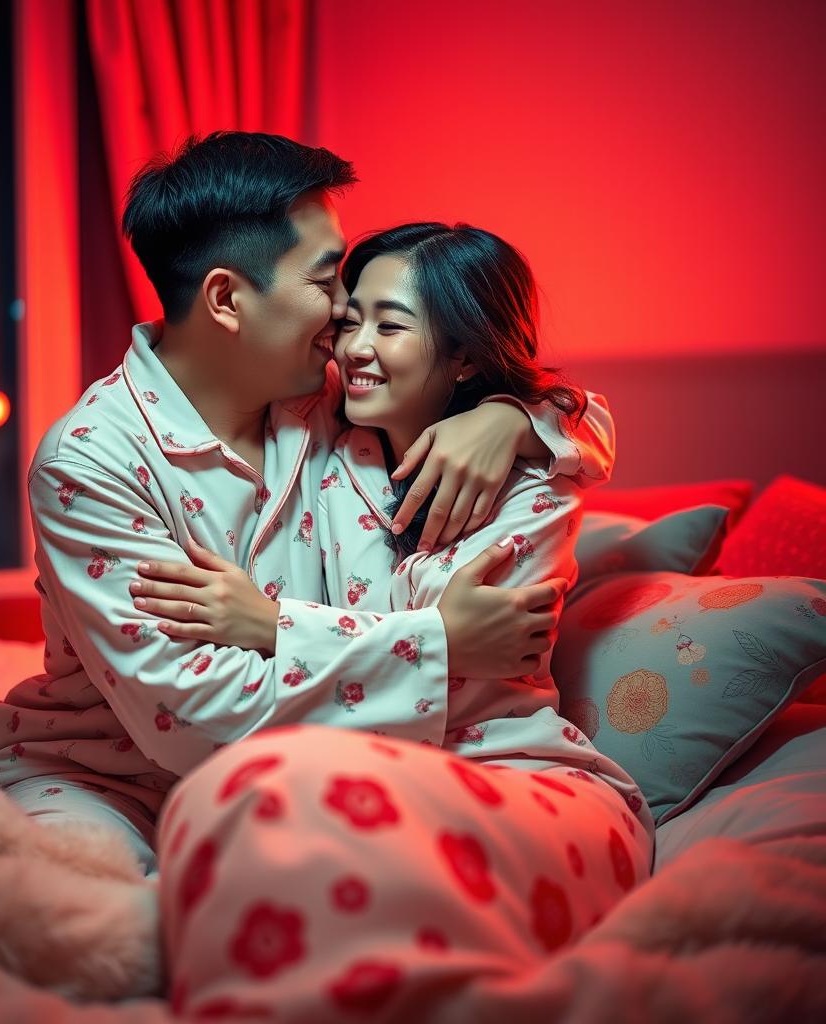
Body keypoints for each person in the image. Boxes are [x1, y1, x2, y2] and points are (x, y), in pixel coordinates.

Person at [0, 133, 616, 875]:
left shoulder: (332, 404)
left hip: (315, 766)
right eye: (327, 281)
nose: (346, 313)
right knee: (88, 915)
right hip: (110, 779)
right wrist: (436, 642)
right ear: (226, 299)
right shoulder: (92, 461)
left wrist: (509, 417)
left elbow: (581, 422)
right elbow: (189, 719)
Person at [137, 223, 653, 1018]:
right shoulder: (326, 447)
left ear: (466, 355)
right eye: (350, 322)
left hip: (514, 777)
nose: (357, 348)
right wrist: (516, 414)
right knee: (251, 812)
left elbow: (586, 423)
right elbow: (436, 632)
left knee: (283, 813)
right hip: (361, 776)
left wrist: (274, 624)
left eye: (392, 324)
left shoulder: (530, 487)